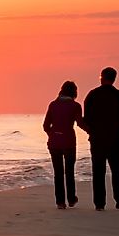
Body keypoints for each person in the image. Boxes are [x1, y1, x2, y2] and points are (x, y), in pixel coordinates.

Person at [82, 66, 119, 211]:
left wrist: (91, 132)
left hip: (97, 138)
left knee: (98, 171)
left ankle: (99, 203)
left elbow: (87, 118)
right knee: (116, 169)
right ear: (114, 78)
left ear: (101, 77)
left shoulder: (92, 95)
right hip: (115, 139)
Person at [42, 80, 85, 209]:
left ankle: (60, 202)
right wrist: (92, 131)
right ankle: (71, 199)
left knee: (58, 173)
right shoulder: (75, 106)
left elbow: (45, 125)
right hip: (69, 142)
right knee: (69, 171)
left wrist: (53, 134)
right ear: (74, 92)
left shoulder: (53, 105)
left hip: (54, 142)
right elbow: (80, 123)